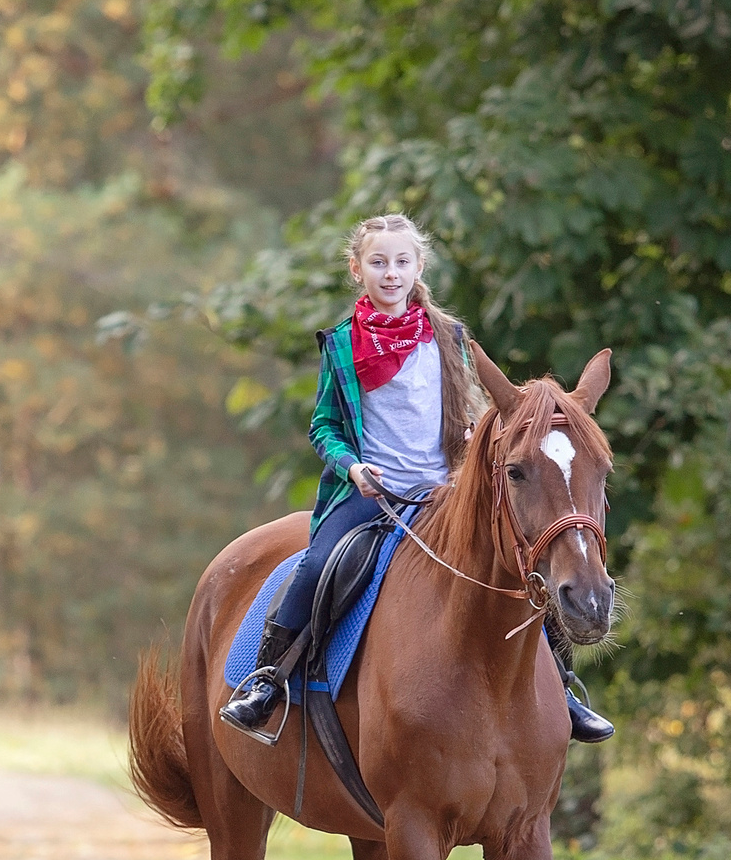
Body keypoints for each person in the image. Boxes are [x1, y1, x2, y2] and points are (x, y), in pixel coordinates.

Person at [218, 216, 614, 744]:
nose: (391, 273)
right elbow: (324, 425)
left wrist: (474, 437)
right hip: (371, 494)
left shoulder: (447, 336)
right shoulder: (340, 345)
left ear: (418, 268)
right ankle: (267, 679)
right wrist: (352, 467)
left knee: (523, 565)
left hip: (443, 490)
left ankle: (562, 687)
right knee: (318, 563)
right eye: (378, 263)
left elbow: (468, 407)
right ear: (358, 270)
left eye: (401, 262)